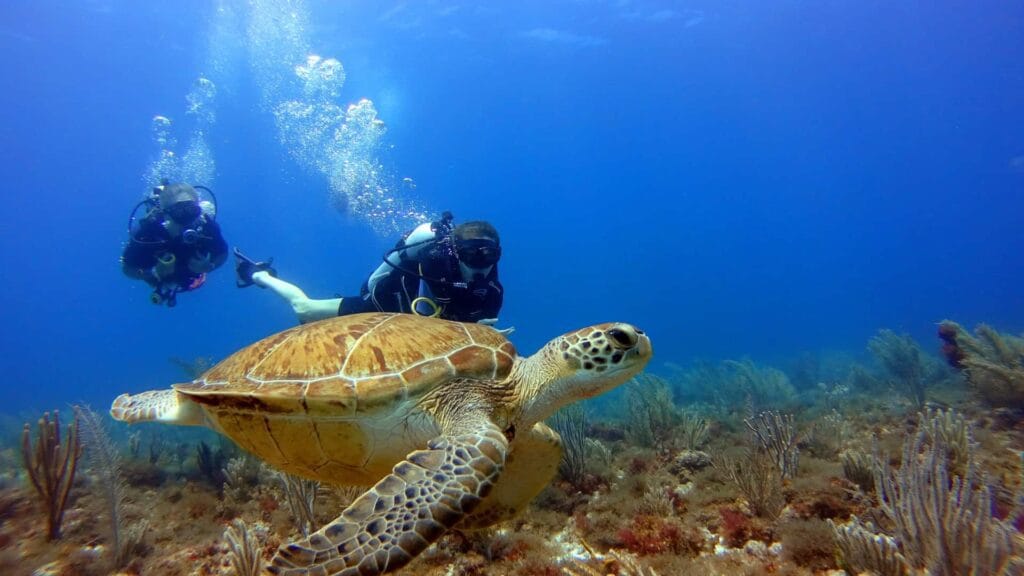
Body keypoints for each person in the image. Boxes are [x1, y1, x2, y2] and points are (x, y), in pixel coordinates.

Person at [235, 212, 509, 330]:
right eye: (472, 255)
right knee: (305, 310)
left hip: (423, 329)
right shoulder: (434, 261)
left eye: (489, 256)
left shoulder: (492, 292)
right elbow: (425, 324)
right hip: (384, 303)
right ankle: (259, 274)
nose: (480, 265)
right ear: (457, 252)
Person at [121, 182, 228, 307]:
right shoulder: (148, 232)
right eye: (179, 213)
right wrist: (153, 272)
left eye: (192, 210)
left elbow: (222, 253)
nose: (187, 219)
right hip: (158, 279)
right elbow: (127, 268)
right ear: (165, 214)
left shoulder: (207, 226)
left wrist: (210, 266)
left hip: (192, 277)